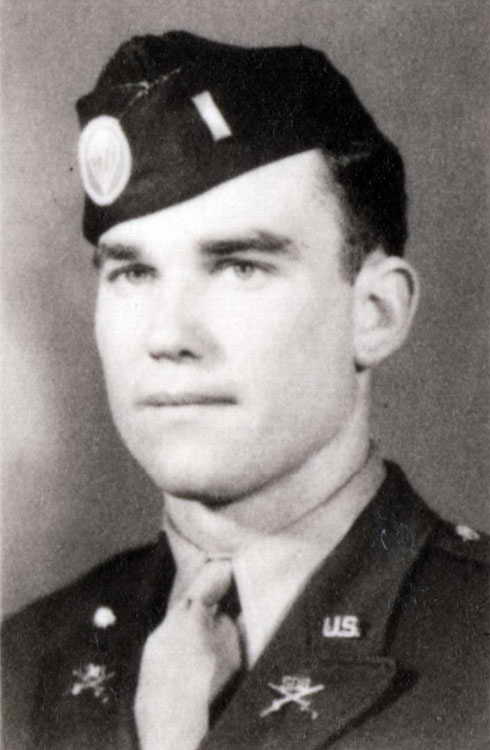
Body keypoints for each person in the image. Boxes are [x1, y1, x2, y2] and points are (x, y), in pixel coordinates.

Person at [2, 30, 488, 750]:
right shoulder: (20, 669)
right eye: (133, 273)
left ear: (375, 314)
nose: (169, 335)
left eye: (240, 267)